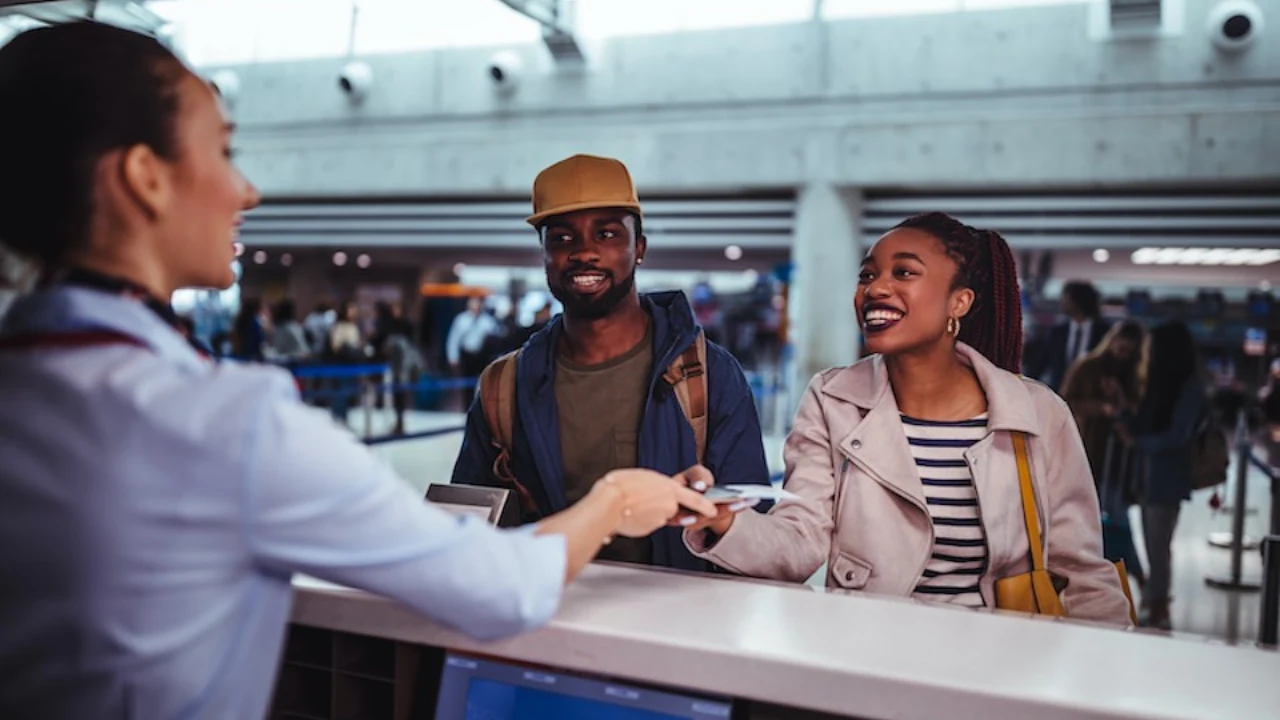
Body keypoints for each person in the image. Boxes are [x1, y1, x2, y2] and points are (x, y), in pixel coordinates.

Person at [0, 23, 716, 719]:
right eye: (221, 151)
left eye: (605, 234)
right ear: (145, 178)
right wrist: (616, 501)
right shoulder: (223, 423)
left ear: (638, 246)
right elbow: (492, 584)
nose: (245, 191)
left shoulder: (34, 380)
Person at [679, 212, 1132, 625]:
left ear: (960, 302)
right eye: (868, 274)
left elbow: (1081, 571)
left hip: (1002, 665)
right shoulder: (831, 400)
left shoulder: (1036, 413)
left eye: (905, 273)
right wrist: (723, 521)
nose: (875, 288)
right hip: (869, 652)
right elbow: (801, 541)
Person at [452, 154, 771, 571]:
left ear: (638, 248)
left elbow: (755, 534)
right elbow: (471, 523)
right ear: (544, 254)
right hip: (548, 618)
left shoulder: (709, 376)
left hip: (678, 621)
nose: (584, 253)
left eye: (605, 234)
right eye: (562, 239)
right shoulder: (505, 386)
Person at [1118, 321, 1208, 630]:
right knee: (1152, 543)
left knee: (1159, 546)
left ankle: (1158, 605)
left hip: (1166, 479)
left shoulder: (1189, 388)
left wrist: (1138, 442)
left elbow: (1177, 436)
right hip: (1145, 477)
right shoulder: (1155, 383)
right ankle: (1154, 601)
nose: (1149, 352)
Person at [1060, 321, 1147, 589]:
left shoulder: (1134, 375)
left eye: (1129, 348)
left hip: (1119, 460)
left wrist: (1121, 407)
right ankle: (1098, 571)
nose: (1123, 351)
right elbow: (1064, 401)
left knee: (1116, 516)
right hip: (1087, 451)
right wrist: (1101, 408)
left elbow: (1137, 410)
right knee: (1087, 515)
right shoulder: (1088, 367)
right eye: (1121, 343)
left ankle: (1126, 571)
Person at [1027, 280, 1112, 391]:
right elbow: (1040, 365)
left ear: (1078, 300)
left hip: (1092, 396)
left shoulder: (1105, 332)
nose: (1062, 302)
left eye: (1066, 298)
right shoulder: (1057, 333)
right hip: (1061, 395)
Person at [446, 295, 500, 404]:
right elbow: (454, 339)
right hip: (467, 354)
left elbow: (497, 334)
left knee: (482, 382)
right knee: (467, 386)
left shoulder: (487, 321)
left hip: (482, 355)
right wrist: (453, 357)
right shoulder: (461, 319)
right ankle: (466, 407)